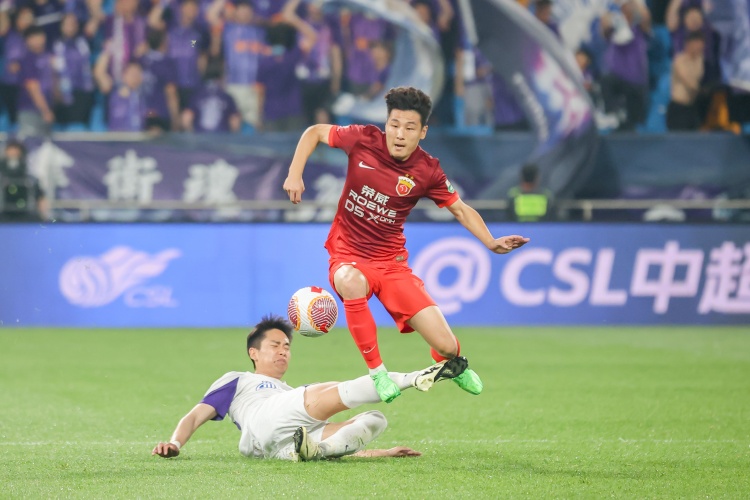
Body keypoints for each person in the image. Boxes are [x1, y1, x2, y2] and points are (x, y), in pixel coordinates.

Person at [282, 86, 530, 404]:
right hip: (347, 254)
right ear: (386, 124)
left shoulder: (427, 170)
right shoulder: (362, 139)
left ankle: (451, 363)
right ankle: (378, 373)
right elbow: (315, 132)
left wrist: (491, 242)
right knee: (351, 281)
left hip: (392, 264)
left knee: (447, 346)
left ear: (422, 132)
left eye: (410, 127)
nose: (399, 134)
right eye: (394, 124)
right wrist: (294, 173)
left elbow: (460, 209)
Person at [152, 315, 468, 461]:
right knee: (327, 389)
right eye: (275, 345)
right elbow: (195, 416)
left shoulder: (286, 391)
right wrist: (175, 443)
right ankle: (415, 377)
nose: (283, 351)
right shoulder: (238, 380)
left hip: (278, 448)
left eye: (287, 346)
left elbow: (346, 442)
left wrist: (382, 453)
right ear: (253, 353)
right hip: (263, 420)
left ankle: (314, 452)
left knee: (374, 420)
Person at [0, 139, 48, 221]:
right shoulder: (2, 172)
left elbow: (40, 196)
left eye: (16, 151)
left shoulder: (29, 175)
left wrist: (44, 215)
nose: (13, 153)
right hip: (3, 213)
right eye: (11, 151)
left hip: (25, 213)